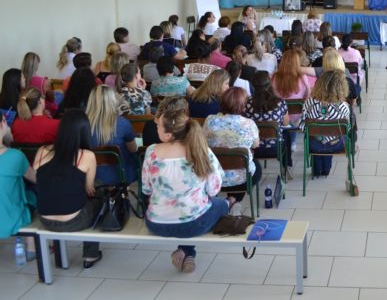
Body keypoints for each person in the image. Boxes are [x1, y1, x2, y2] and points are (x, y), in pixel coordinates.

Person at [142, 98, 226, 273]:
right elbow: (214, 189)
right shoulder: (201, 151)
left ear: (168, 134)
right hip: (195, 224)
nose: (155, 127)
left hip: (156, 223)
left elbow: (146, 189)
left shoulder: (151, 152)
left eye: (158, 126)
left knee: (188, 208)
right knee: (221, 205)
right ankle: (187, 252)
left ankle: (186, 252)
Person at [33, 110, 101, 268]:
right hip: (74, 221)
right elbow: (88, 189)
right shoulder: (86, 155)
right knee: (99, 195)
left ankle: (61, 257)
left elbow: (42, 180)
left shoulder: (42, 151)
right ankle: (90, 255)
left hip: (45, 219)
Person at [203, 87, 260, 214]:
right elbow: (256, 145)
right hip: (242, 179)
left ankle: (229, 201)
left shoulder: (210, 120)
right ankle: (234, 200)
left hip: (214, 176)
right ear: (243, 105)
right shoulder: (249, 124)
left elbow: (204, 142)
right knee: (255, 166)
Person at [303, 70, 351, 177]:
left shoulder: (309, 103)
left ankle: (317, 170)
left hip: (313, 145)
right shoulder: (343, 106)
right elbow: (347, 128)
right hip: (336, 145)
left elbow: (302, 126)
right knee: (332, 135)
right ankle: (325, 169)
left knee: (316, 137)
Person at [86, 85, 137, 184]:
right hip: (121, 174)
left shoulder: (82, 125)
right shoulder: (123, 123)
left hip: (91, 174)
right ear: (112, 101)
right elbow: (133, 149)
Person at [0, 115, 36, 250]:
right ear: (3, 122)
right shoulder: (15, 156)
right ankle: (31, 247)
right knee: (33, 192)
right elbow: (36, 179)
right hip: (10, 220)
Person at [245, 71, 293, 173]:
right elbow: (285, 123)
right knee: (287, 133)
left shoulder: (247, 103)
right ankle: (286, 167)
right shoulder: (279, 102)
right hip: (275, 147)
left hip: (253, 148)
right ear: (269, 84)